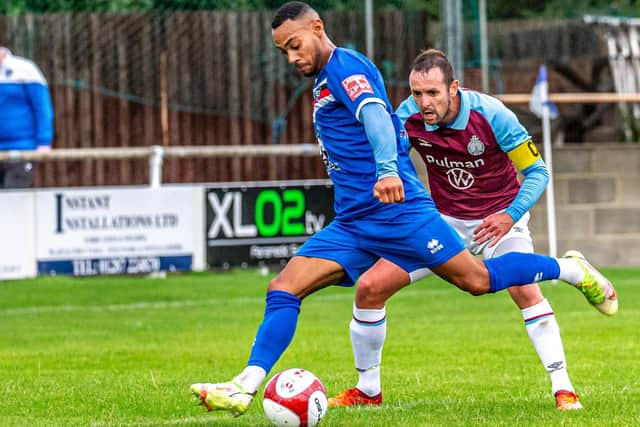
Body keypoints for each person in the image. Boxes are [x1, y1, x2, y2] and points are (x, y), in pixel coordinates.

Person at [190, 2, 617, 418]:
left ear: (317, 27)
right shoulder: (348, 89)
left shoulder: (347, 68)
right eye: (284, 50)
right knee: (285, 288)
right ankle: (247, 385)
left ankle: (570, 271)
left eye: (295, 44)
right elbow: (393, 125)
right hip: (356, 221)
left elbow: (374, 115)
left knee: (478, 281)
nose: (291, 56)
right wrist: (388, 161)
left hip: (404, 215)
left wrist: (388, 170)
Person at [328, 49, 616, 412]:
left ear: (454, 88)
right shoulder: (407, 117)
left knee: (524, 290)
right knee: (370, 288)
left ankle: (564, 387)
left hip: (498, 219)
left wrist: (510, 216)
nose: (423, 102)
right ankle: (368, 390)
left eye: (432, 93)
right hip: (442, 223)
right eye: (417, 93)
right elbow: (385, 150)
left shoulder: (492, 115)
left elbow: (538, 173)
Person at [0, 46, 54, 188]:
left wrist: (44, 142)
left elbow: (42, 108)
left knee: (14, 199)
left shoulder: (25, 69)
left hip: (22, 149)